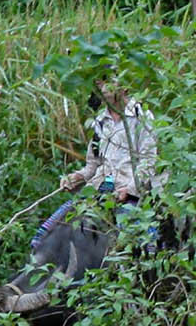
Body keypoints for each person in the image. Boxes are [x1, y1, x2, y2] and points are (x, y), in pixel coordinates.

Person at [32, 79, 161, 252]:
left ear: (123, 85)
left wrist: (128, 190)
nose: (103, 88)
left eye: (107, 81)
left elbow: (149, 161)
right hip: (101, 188)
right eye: (99, 83)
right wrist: (76, 177)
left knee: (142, 245)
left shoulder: (141, 116)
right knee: (43, 236)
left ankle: (151, 265)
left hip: (130, 191)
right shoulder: (100, 121)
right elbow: (92, 166)